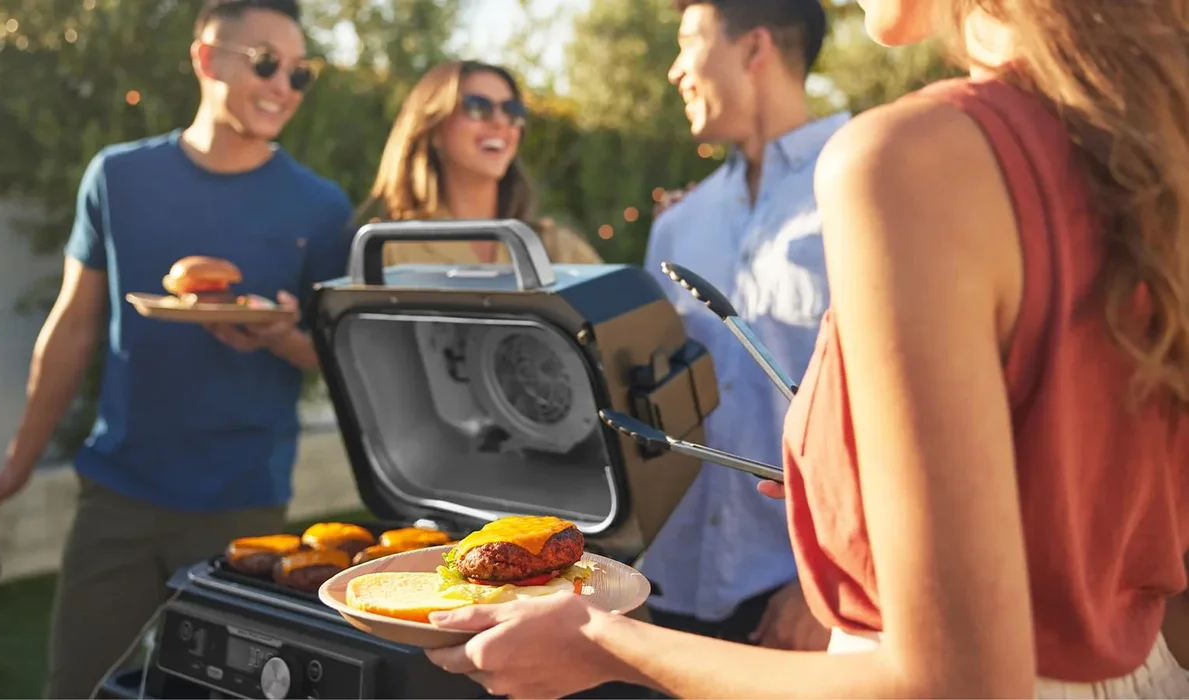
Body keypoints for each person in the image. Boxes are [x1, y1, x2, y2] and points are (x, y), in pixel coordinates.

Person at [420, 0, 1189, 697]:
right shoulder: (1147, 149)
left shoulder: (907, 159)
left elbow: (951, 686)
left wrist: (603, 644)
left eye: (688, 41)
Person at [0, 1, 353, 697]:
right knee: (75, 686)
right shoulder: (118, 176)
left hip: (243, 503)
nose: (282, 84)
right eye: (263, 62)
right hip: (119, 496)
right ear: (203, 58)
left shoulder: (320, 207)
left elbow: (337, 355)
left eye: (298, 73)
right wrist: (14, 467)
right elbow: (72, 328)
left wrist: (283, 338)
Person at [636, 0, 845, 651]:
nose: (674, 70)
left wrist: (832, 587)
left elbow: (917, 416)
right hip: (664, 593)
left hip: (799, 602)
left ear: (753, 49)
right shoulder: (676, 226)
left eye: (687, 42)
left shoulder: (866, 190)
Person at [354, 60, 603, 266]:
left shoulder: (557, 249)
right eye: (477, 107)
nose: (499, 122)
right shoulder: (391, 249)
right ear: (435, 130)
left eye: (512, 110)